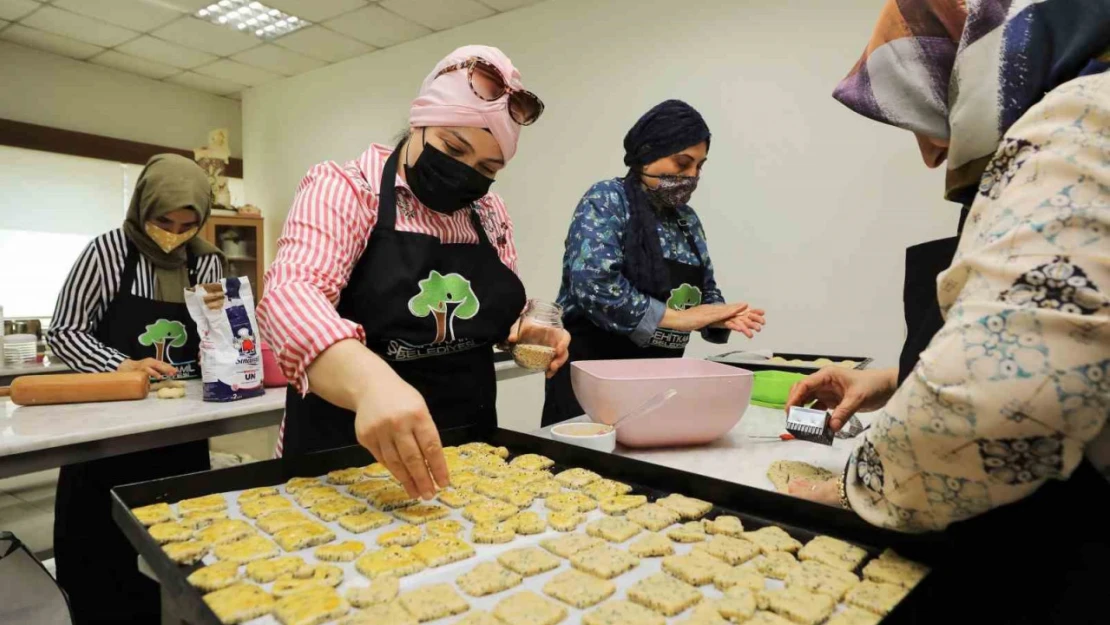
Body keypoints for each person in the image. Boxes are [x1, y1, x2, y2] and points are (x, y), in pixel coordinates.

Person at [784, 2, 1110, 622]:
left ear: (978, 64)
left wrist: (859, 488)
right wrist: (894, 380)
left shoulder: (1087, 115)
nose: (932, 150)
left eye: (929, 109)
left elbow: (1002, 400)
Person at [258, 45, 568, 501]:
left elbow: (488, 311)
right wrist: (371, 384)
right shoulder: (348, 189)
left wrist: (521, 329)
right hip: (343, 463)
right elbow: (289, 295)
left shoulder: (489, 212)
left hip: (466, 457)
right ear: (419, 121)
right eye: (452, 147)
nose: (465, 174)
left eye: (487, 168)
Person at [46, 154, 225, 624]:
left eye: (188, 224)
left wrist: (232, 334)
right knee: (101, 569)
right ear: (140, 206)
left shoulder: (207, 260)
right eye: (163, 221)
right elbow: (64, 332)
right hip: (106, 441)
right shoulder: (106, 254)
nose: (175, 232)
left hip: (183, 436)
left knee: (182, 563)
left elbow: (222, 335)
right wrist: (122, 366)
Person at [542, 100, 764, 426]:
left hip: (658, 388)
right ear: (647, 153)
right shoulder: (607, 199)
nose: (691, 176)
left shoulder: (688, 221)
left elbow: (704, 293)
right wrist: (679, 319)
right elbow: (595, 287)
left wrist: (719, 317)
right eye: (682, 163)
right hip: (591, 386)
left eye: (699, 167)